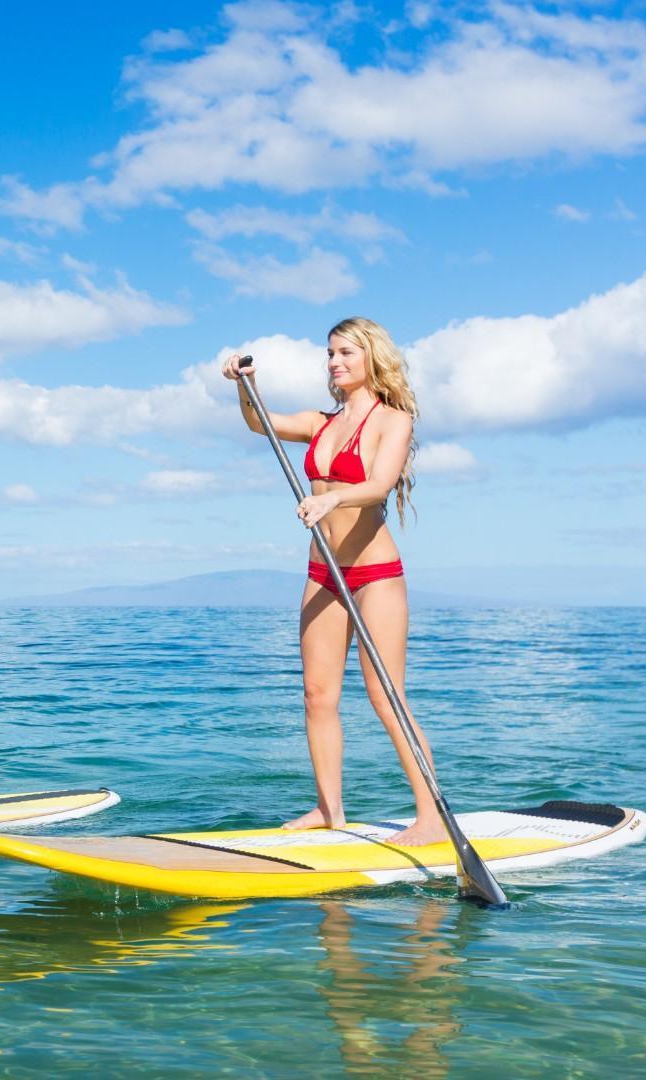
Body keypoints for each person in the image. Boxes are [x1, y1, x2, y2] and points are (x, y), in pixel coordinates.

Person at [221, 317, 447, 847]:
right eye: (329, 354)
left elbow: (378, 485)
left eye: (346, 352)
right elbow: (262, 424)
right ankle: (329, 809)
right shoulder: (320, 422)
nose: (334, 362)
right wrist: (242, 386)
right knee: (317, 693)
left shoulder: (395, 419)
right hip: (323, 571)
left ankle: (431, 816)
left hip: (374, 574)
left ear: (371, 357)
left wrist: (332, 497)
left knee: (385, 695)